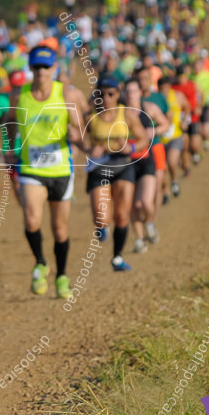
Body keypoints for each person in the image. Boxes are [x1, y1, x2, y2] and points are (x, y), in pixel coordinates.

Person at [4, 46, 85, 298]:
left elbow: (80, 130)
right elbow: (9, 123)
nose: (41, 72)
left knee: (60, 229)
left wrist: (75, 135)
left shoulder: (66, 94)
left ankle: (62, 276)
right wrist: (8, 151)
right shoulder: (20, 96)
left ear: (54, 69)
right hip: (30, 169)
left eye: (46, 67)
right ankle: (40, 262)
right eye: (37, 67)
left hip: (61, 170)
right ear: (30, 68)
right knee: (32, 221)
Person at [78, 77, 148, 272]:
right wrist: (91, 149)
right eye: (101, 94)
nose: (107, 98)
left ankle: (117, 257)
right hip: (99, 168)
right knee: (101, 218)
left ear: (118, 94)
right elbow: (80, 140)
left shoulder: (127, 115)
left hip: (123, 165)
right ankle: (102, 228)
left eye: (111, 94)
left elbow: (143, 139)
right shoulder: (89, 117)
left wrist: (131, 146)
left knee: (122, 216)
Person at [124, 79, 168, 253]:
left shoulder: (148, 109)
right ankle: (139, 239)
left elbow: (165, 123)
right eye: (127, 92)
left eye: (133, 91)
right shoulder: (119, 113)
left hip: (146, 158)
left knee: (146, 202)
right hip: (127, 162)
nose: (130, 95)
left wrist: (154, 131)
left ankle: (149, 223)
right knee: (133, 206)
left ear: (140, 93)